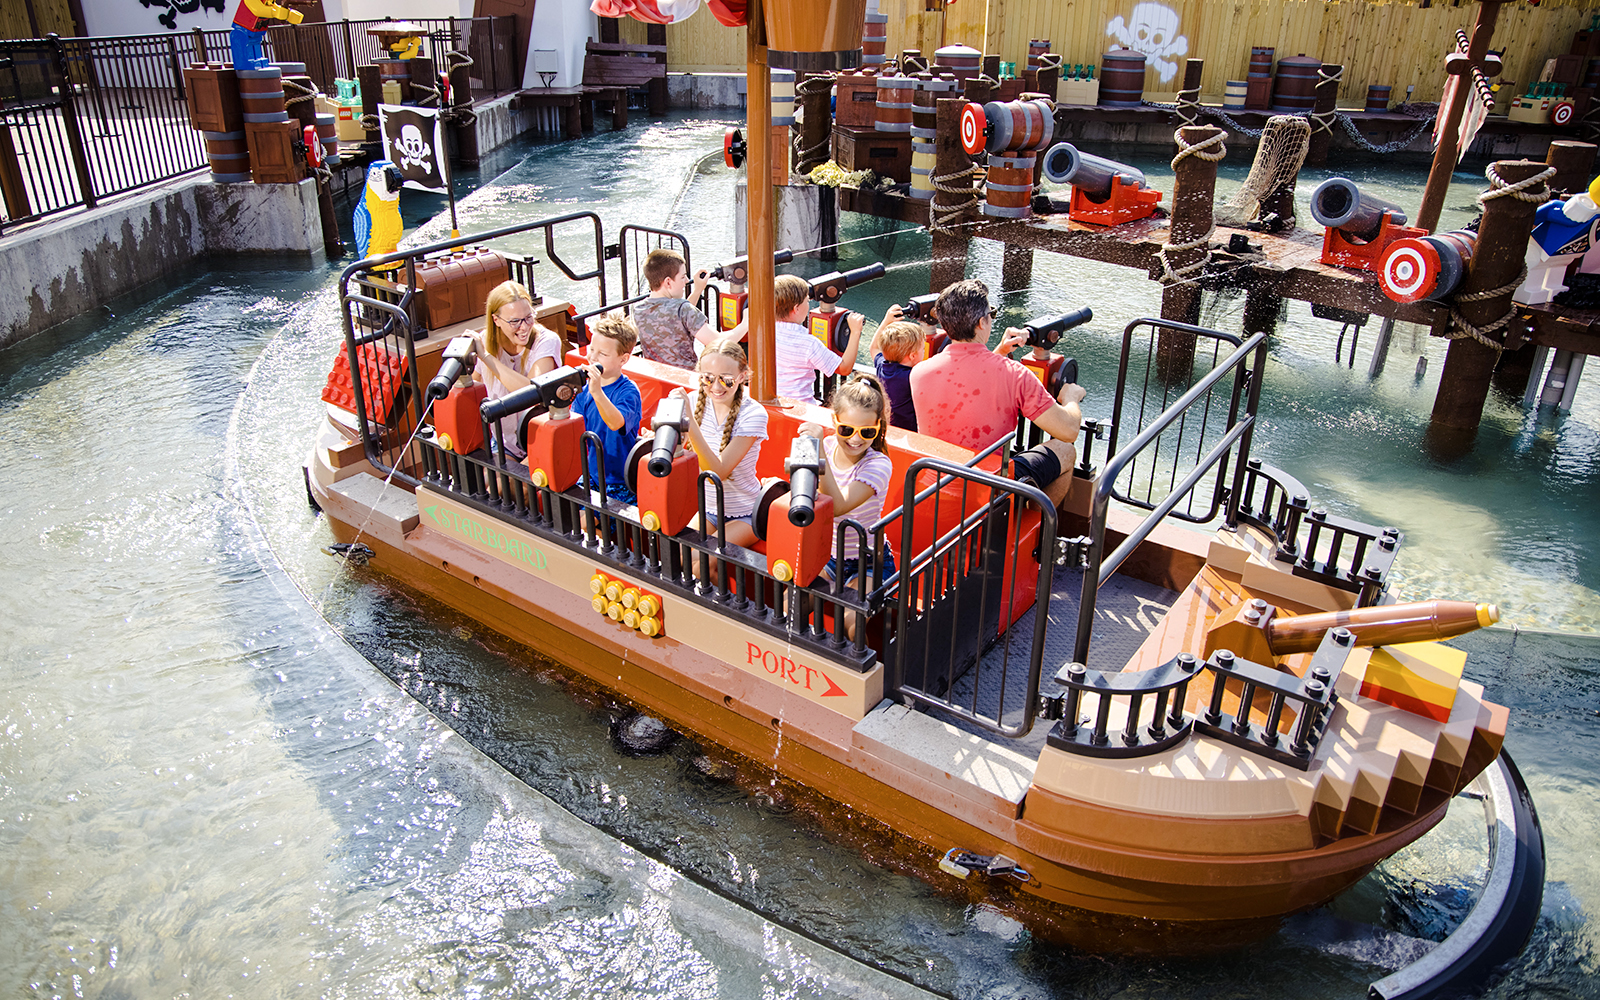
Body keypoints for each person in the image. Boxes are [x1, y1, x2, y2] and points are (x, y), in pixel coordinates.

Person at [909, 278, 1086, 507]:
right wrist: (1071, 398)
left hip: (935, 480)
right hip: (988, 487)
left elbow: (969, 377)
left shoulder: (920, 371)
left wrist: (999, 352)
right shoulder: (1015, 375)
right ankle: (1035, 528)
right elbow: (1069, 431)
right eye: (990, 314)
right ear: (982, 322)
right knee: (1065, 451)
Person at [799, 374, 898, 629]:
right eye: (847, 429)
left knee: (851, 621)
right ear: (835, 421)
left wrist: (817, 449)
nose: (855, 439)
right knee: (794, 602)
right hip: (829, 555)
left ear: (878, 426)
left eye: (866, 431)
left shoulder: (878, 464)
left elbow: (837, 505)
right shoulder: (829, 446)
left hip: (868, 559)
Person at [668, 340, 768, 549]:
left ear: (743, 376)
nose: (715, 387)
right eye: (708, 378)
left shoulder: (753, 414)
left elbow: (718, 472)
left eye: (726, 380)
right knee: (681, 553)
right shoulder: (694, 400)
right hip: (709, 508)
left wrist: (690, 422)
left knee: (701, 556)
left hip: (746, 513)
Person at [473, 280, 563, 460]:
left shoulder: (546, 341)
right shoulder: (485, 342)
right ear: (496, 320)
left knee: (511, 485)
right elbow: (475, 387)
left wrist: (486, 358)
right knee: (490, 482)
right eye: (515, 321)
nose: (524, 327)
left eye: (529, 317)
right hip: (505, 442)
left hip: (541, 439)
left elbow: (531, 392)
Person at [571, 313, 644, 504]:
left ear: (623, 359)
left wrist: (597, 392)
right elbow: (574, 427)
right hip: (592, 474)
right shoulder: (583, 391)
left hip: (620, 481)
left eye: (602, 354)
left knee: (585, 523)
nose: (592, 357)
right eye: (591, 349)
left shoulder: (628, 391)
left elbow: (615, 422)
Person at [633, 248, 746, 368]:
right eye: (682, 277)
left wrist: (698, 290)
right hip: (686, 379)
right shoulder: (683, 310)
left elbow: (675, 317)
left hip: (657, 378)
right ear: (668, 282)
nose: (687, 281)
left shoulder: (638, 309)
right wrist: (747, 322)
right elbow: (719, 343)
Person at [774, 274, 863, 405]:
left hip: (775, 401)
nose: (808, 305)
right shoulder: (808, 343)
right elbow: (844, 369)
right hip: (801, 406)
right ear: (796, 308)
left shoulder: (765, 332)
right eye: (807, 301)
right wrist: (855, 332)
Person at [867, 306, 924, 432]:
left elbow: (874, 348)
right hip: (909, 433)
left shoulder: (883, 367)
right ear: (913, 355)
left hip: (887, 429)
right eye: (923, 349)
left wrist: (886, 321)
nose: (924, 351)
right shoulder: (913, 377)